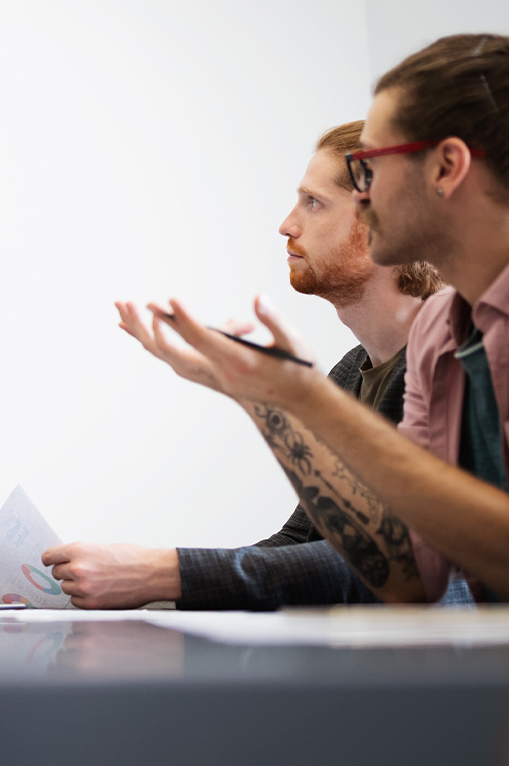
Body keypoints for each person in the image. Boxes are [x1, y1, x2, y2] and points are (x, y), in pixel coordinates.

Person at [156, 34, 509, 604]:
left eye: (370, 166)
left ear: (446, 167)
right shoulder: (446, 330)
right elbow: (408, 572)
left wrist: (308, 403)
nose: (362, 193)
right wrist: (280, 400)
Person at [43, 122, 445, 609]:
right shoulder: (350, 372)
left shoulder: (455, 362)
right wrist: (149, 589)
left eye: (313, 203)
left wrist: (162, 574)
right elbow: (303, 545)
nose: (287, 225)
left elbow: (405, 572)